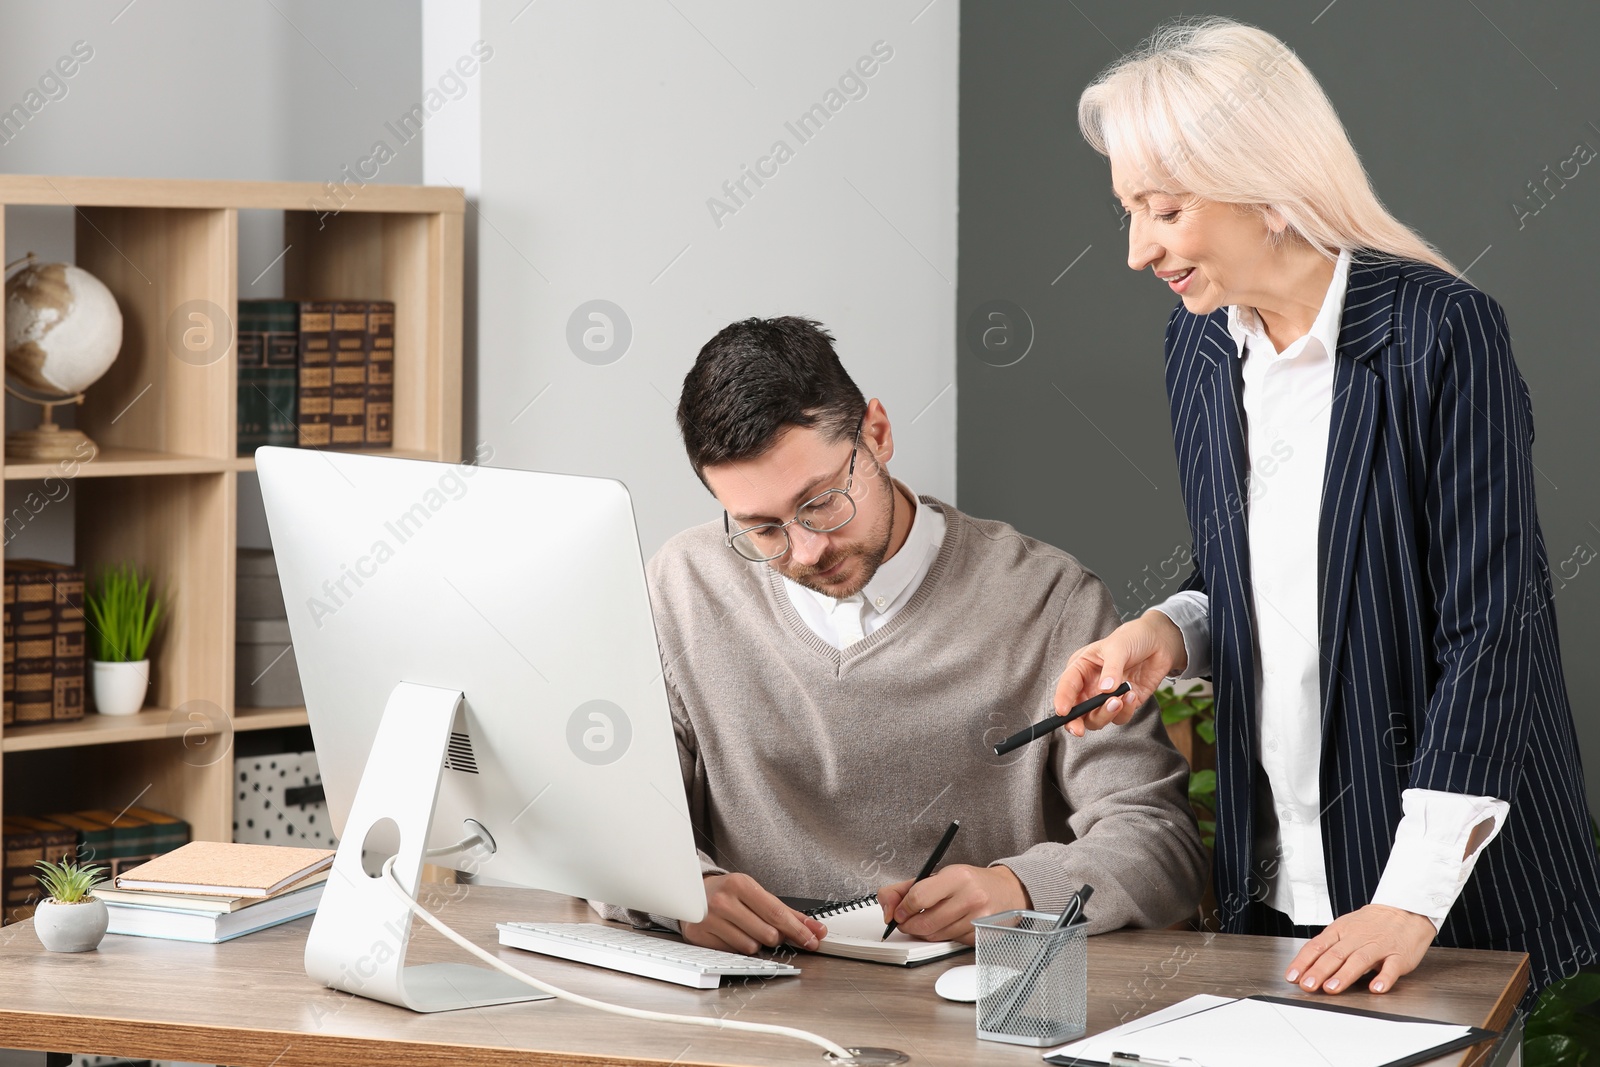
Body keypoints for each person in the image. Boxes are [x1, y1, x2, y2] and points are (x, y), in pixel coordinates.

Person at [1057, 17, 1600, 1005]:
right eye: (1127, 213)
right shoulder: (1199, 348)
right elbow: (1263, 568)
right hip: (1271, 889)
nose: (1138, 250)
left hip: (1440, 900)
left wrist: (1410, 894)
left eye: (1163, 210)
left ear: (1261, 185)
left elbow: (1494, 625)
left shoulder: (1440, 333)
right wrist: (1166, 631)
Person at [599, 316, 1206, 954]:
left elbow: (1159, 845)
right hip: (750, 1000)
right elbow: (607, 813)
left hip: (980, 1005)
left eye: (822, 501)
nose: (805, 551)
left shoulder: (1049, 600)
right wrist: (681, 894)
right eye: (761, 528)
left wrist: (1017, 890)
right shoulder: (684, 585)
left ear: (878, 435)